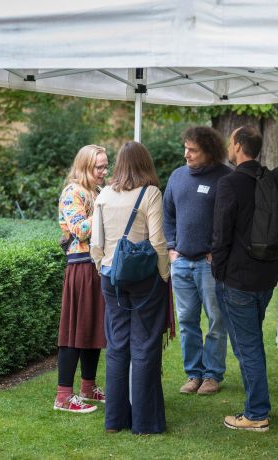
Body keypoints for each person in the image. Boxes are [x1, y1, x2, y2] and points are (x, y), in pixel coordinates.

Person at [91, 141, 170, 434]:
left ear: (119, 164)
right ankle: (145, 423)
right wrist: (164, 273)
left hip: (111, 277)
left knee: (117, 346)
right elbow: (158, 240)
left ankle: (114, 420)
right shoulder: (150, 193)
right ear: (145, 163)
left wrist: (103, 267)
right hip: (145, 278)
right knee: (145, 346)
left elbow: (95, 242)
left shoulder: (104, 194)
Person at [212, 126, 278, 432]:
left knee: (248, 346)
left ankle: (256, 413)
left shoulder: (231, 183)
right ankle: (257, 402)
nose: (229, 147)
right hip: (266, 275)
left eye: (230, 142)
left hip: (238, 279)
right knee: (248, 344)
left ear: (239, 147)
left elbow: (221, 232)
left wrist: (218, 270)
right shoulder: (271, 179)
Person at [163, 126, 231, 395]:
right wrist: (171, 248)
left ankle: (212, 375)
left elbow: (232, 219)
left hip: (208, 264)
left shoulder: (225, 178)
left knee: (216, 320)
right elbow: (167, 214)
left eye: (193, 150)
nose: (186, 154)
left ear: (209, 151)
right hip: (181, 262)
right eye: (186, 148)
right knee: (187, 320)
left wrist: (218, 250)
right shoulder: (178, 177)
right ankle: (194, 374)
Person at [54, 145, 109, 414]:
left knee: (92, 328)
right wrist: (102, 206)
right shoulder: (72, 192)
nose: (104, 171)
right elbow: (79, 230)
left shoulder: (97, 192)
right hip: (80, 268)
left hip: (97, 266)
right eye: (99, 167)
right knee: (74, 330)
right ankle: (63, 396)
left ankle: (88, 387)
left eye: (105, 166)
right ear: (85, 166)